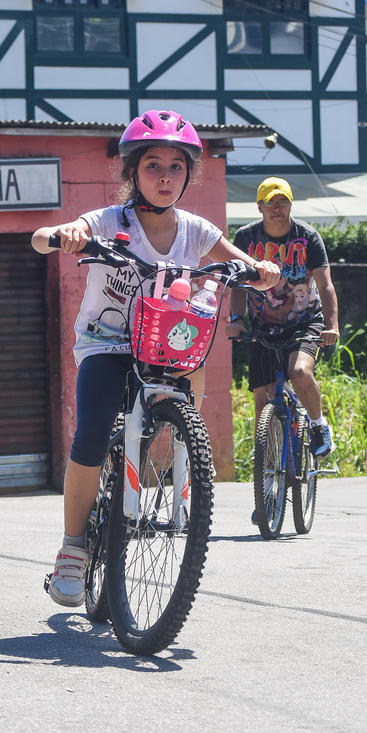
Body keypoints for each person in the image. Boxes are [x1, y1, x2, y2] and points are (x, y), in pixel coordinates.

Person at [32, 109, 280, 608]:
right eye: (152, 166)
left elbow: (244, 262)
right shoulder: (108, 221)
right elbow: (40, 238)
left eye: (175, 167)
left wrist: (262, 270)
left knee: (182, 400)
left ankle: (175, 487)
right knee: (94, 431)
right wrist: (64, 236)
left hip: (166, 345)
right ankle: (74, 548)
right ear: (132, 173)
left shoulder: (195, 230)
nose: (165, 177)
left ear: (189, 174)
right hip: (106, 344)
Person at [226, 176, 339, 463]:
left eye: (283, 201)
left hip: (304, 322)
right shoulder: (245, 238)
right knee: (262, 403)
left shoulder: (308, 236)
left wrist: (332, 326)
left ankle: (318, 426)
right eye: (270, 202)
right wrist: (237, 319)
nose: (277, 207)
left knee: (299, 372)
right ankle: (267, 487)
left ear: (290, 204)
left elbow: (325, 285)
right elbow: (237, 284)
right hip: (263, 327)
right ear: (259, 207)